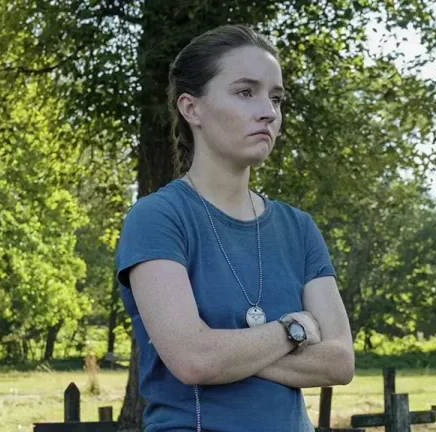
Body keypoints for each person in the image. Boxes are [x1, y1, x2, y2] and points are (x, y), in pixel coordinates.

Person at [115, 24, 354, 432]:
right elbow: (194, 360)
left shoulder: (298, 228)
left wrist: (224, 352)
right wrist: (294, 329)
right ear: (191, 109)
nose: (268, 112)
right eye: (245, 92)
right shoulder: (158, 218)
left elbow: (340, 362)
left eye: (276, 98)